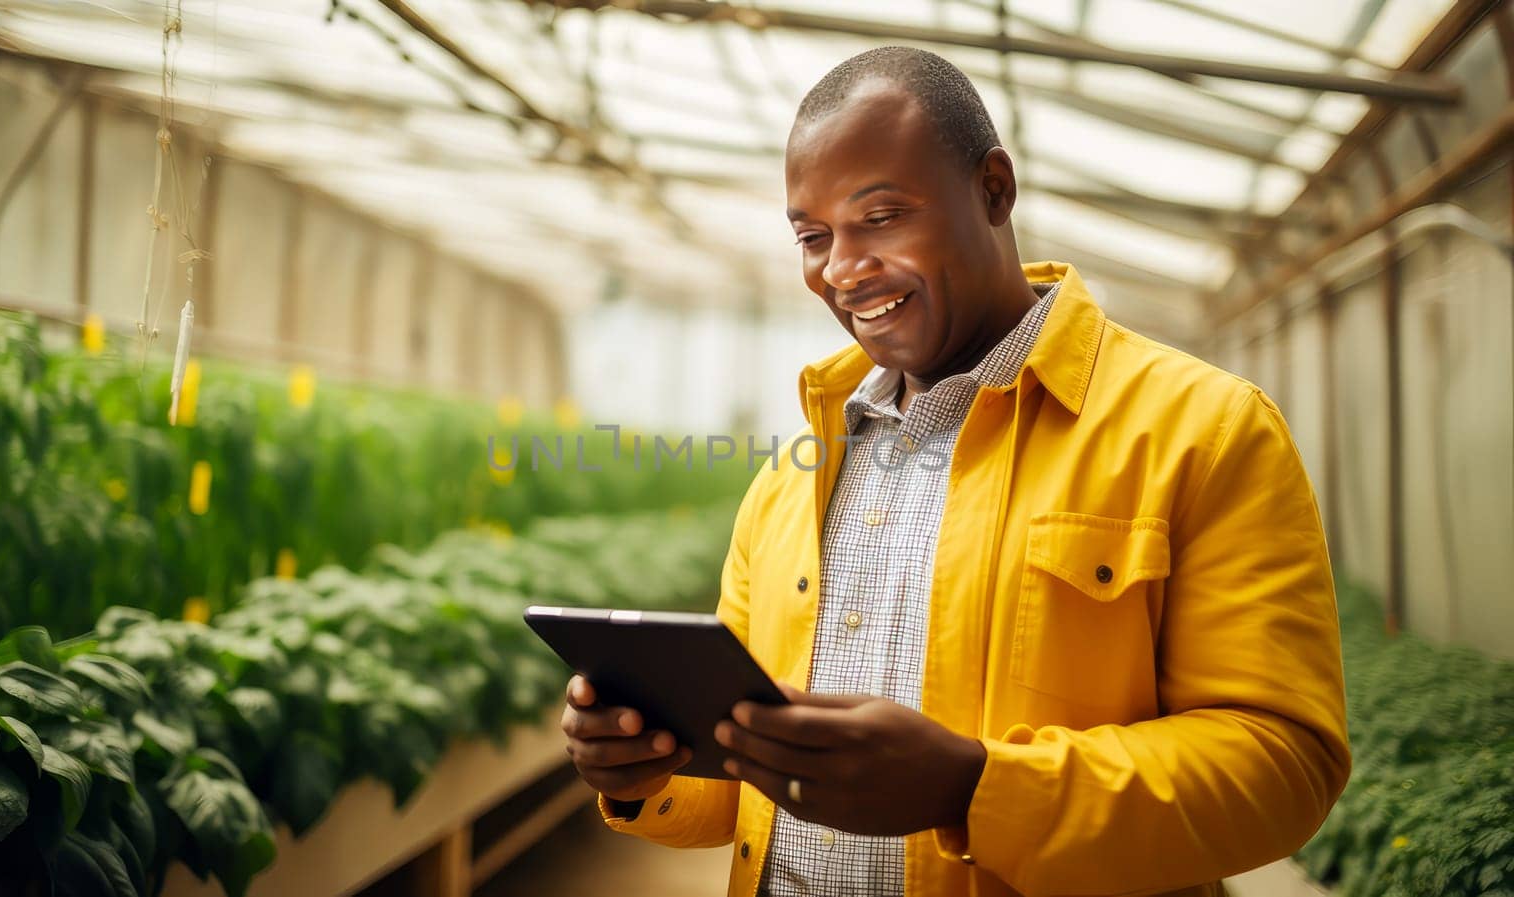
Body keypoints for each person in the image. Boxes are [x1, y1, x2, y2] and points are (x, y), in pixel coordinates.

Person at [560, 46, 1349, 897]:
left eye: (883, 215)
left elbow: (1284, 763)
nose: (843, 268)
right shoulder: (797, 474)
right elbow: (736, 789)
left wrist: (971, 788)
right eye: (813, 236)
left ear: (994, 189)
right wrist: (644, 768)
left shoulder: (1204, 429)